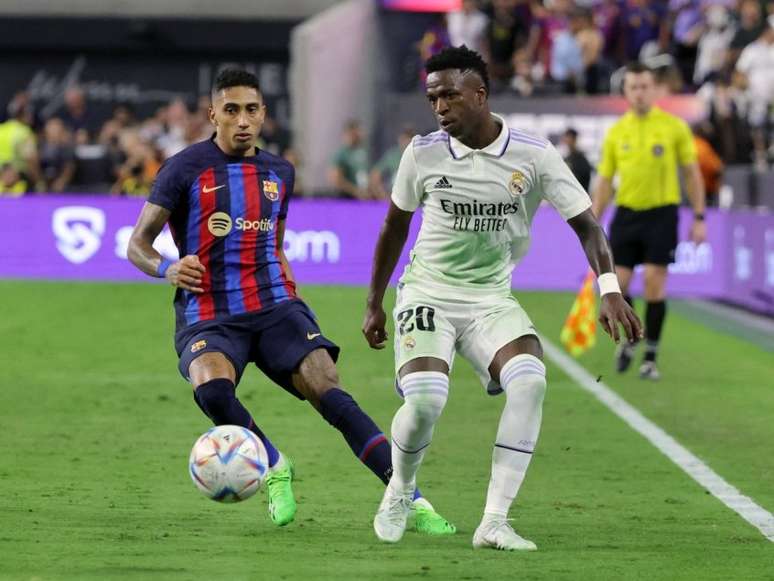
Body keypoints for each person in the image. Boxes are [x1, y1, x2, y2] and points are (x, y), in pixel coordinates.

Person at [127, 69, 454, 535]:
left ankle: (410, 499)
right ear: (213, 113)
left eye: (252, 110)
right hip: (209, 312)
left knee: (332, 395)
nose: (243, 120)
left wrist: (292, 294)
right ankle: (274, 463)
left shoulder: (280, 171)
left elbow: (273, 243)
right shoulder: (184, 168)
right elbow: (137, 244)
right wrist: (167, 267)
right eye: (233, 110)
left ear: (263, 115)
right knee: (213, 390)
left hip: (276, 305)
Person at [362, 46, 641, 550]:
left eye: (450, 96)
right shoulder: (422, 153)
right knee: (425, 400)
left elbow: (588, 226)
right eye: (433, 99)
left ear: (480, 95)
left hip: (490, 298)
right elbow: (393, 228)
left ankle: (493, 521)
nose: (440, 108)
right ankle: (400, 489)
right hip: (428, 291)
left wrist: (610, 290)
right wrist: (374, 302)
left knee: (531, 381)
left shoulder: (532, 155)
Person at [591, 61, 706, 381]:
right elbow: (604, 180)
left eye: (645, 86)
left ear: (653, 89)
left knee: (655, 285)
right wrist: (593, 220)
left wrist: (699, 217)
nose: (640, 92)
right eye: (633, 87)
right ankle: (630, 341)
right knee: (620, 285)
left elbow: (691, 175)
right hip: (627, 215)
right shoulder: (616, 132)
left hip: (661, 214)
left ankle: (650, 357)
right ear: (626, 92)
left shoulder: (673, 127)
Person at [328, 120, 370, 199]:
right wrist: (355, 191)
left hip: (363, 197)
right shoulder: (341, 154)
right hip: (347, 198)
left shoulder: (363, 152)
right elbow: (335, 178)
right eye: (353, 134)